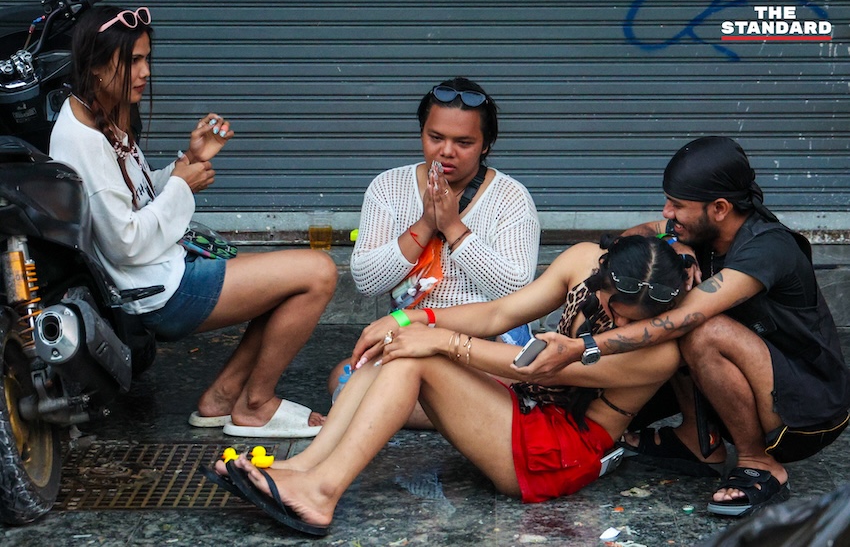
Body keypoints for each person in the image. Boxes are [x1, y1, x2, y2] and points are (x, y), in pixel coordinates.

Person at [211, 235, 687, 534]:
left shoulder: (656, 351)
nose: (619, 320)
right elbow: (501, 313)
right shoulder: (584, 259)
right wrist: (412, 316)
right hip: (524, 408)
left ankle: (322, 494)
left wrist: (435, 338)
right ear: (602, 272)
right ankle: (305, 470)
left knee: (418, 357)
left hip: (559, 452)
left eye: (634, 317)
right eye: (614, 305)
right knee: (397, 346)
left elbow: (533, 367)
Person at [520, 136, 850, 517]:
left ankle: (760, 464)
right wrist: (678, 249)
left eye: (678, 205)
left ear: (721, 208)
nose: (667, 211)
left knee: (695, 327)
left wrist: (582, 349)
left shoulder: (766, 248)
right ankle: (697, 441)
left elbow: (678, 321)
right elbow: (635, 240)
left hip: (806, 411)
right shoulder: (701, 232)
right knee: (659, 289)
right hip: (754, 383)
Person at [48, 5, 337, 438]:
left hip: (167, 270)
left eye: (148, 58)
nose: (145, 72)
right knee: (320, 272)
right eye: (133, 61)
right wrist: (183, 186)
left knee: (288, 283)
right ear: (95, 66)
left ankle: (221, 399)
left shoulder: (97, 113)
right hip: (160, 291)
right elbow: (126, 242)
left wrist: (189, 161)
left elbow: (138, 196)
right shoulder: (82, 141)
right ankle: (256, 405)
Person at [330, 77, 540, 418]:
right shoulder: (388, 188)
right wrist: (426, 224)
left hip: (481, 346)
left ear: (486, 145)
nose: (446, 152)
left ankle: (403, 411)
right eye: (435, 137)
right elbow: (367, 282)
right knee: (340, 378)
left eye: (464, 142)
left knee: (357, 398)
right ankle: (460, 417)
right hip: (410, 337)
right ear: (422, 133)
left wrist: (453, 227)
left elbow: (515, 290)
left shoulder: (510, 198)